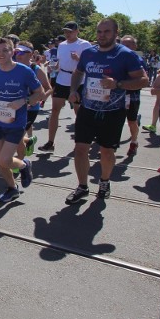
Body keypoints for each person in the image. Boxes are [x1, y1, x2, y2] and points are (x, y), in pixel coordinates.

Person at [64, 18, 148, 204]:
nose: (102, 35)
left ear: (116, 33)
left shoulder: (125, 55)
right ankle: (82, 187)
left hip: (113, 112)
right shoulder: (88, 53)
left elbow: (144, 81)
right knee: (80, 149)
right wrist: (73, 91)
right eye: (99, 32)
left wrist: (117, 84)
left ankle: (104, 181)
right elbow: (78, 72)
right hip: (87, 108)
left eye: (106, 31)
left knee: (106, 152)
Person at [0, 37, 43, 203]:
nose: (1, 54)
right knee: (0, 163)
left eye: (5, 50)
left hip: (16, 124)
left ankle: (24, 165)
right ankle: (12, 188)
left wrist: (24, 101)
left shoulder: (24, 71)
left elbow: (39, 93)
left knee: (5, 159)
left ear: (13, 51)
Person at [38, 22, 91, 153]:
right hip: (62, 79)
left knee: (79, 112)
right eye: (66, 31)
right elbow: (60, 62)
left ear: (77, 31)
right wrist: (54, 67)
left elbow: (89, 64)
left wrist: (78, 59)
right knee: (55, 110)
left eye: (70, 31)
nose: (67, 34)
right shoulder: (61, 45)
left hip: (78, 80)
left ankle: (81, 141)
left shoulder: (84, 45)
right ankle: (50, 142)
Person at [11, 41, 52, 160]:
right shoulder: (12, 67)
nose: (18, 55)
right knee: (11, 135)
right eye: (16, 52)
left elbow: (48, 89)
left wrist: (39, 98)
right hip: (13, 108)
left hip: (30, 109)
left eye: (22, 53)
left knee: (16, 137)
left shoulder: (36, 69)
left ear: (30, 54)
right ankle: (28, 141)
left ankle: (20, 163)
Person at [120, 35, 147, 156]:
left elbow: (143, 80)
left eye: (128, 44)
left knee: (131, 121)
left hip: (132, 95)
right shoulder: (114, 58)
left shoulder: (138, 59)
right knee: (113, 120)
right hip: (116, 95)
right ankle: (108, 146)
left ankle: (134, 141)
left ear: (135, 46)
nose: (125, 47)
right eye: (123, 44)